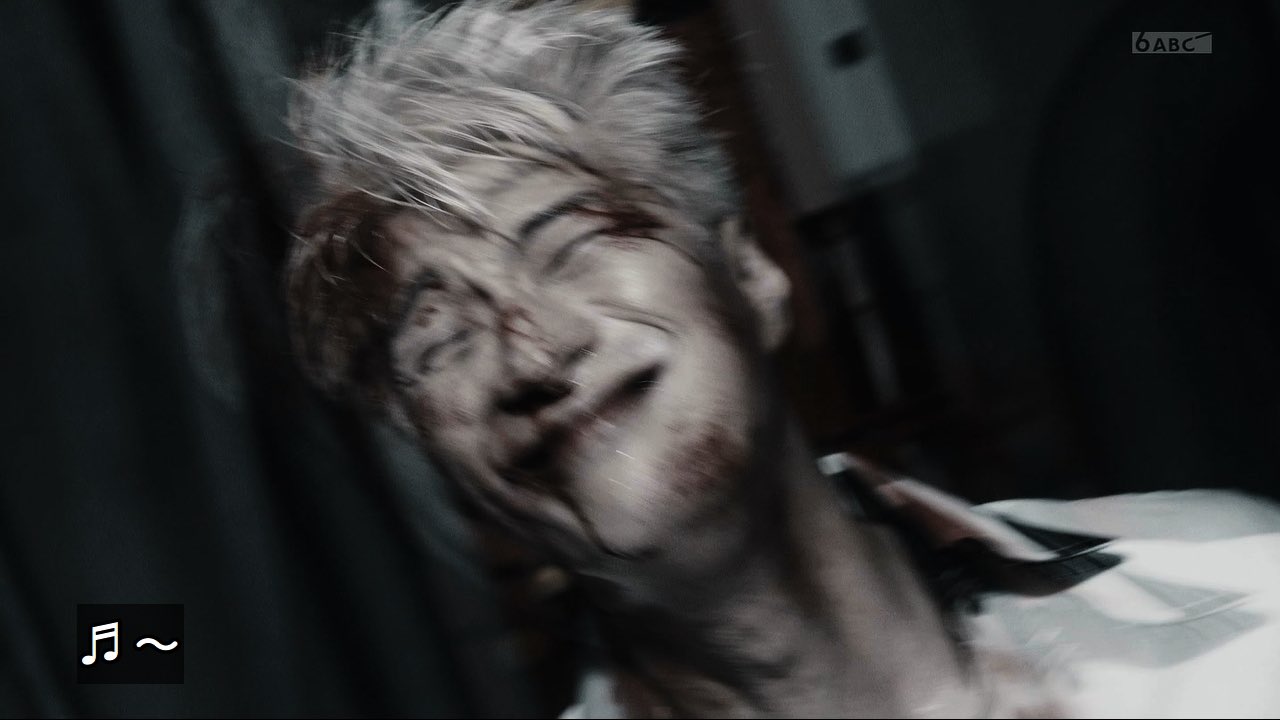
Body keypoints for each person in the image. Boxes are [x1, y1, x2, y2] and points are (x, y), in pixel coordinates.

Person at [282, 1, 1280, 716]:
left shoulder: (1243, 582)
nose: (533, 350)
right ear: (440, 463)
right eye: (442, 338)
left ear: (753, 271)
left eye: (571, 243)